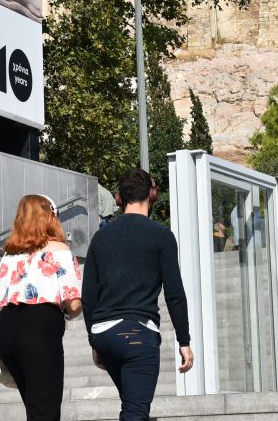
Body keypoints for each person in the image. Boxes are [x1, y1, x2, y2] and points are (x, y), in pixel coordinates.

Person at [82, 168, 194, 420]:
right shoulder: (161, 236)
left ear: (119, 199)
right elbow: (174, 293)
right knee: (135, 411)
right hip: (137, 335)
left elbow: (88, 297)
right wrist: (184, 341)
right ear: (152, 195)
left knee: (133, 405)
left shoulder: (100, 237)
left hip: (103, 334)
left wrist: (94, 340)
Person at [0, 194, 82, 421]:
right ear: (50, 218)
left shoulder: (9, 254)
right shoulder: (59, 250)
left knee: (36, 409)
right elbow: (74, 305)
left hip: (8, 332)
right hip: (39, 331)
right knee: (46, 412)